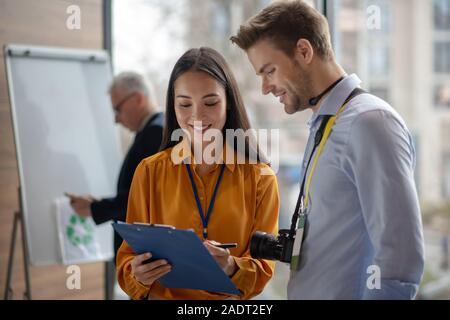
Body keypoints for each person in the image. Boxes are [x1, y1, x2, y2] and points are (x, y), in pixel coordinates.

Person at [231, 0, 424, 299]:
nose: (265, 88)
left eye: (269, 71)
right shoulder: (325, 124)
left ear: (304, 51)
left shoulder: (369, 122)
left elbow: (400, 260)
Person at [116, 47, 279, 300]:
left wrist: (230, 266)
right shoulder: (149, 172)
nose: (197, 116)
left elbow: (264, 269)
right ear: (173, 105)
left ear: (229, 103)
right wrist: (137, 274)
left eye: (211, 102)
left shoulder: (260, 178)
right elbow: (127, 261)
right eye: (184, 104)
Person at [67, 71, 164, 262]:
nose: (116, 119)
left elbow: (144, 199)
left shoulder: (155, 132)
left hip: (148, 259)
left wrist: (96, 208)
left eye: (117, 109)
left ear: (138, 98)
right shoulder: (154, 130)